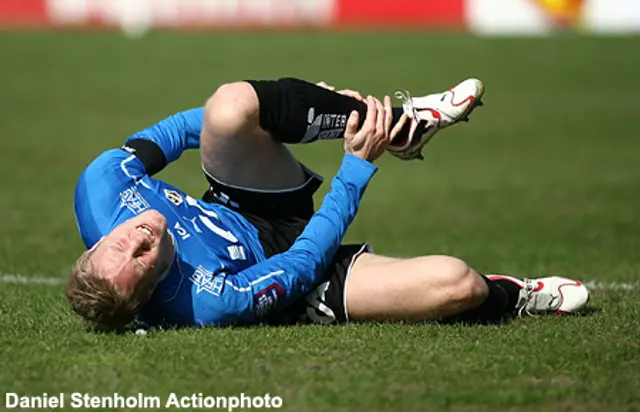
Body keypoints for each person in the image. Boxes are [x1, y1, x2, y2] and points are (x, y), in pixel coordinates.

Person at [67, 77, 589, 330]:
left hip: (242, 197)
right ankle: (510, 296)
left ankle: (402, 125)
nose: (141, 235)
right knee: (457, 285)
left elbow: (182, 127)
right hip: (293, 273)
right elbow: (301, 263)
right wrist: (355, 169)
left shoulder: (100, 189)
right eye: (142, 258)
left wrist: (287, 112)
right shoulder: (207, 303)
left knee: (227, 108)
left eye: (120, 240)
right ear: (157, 283)